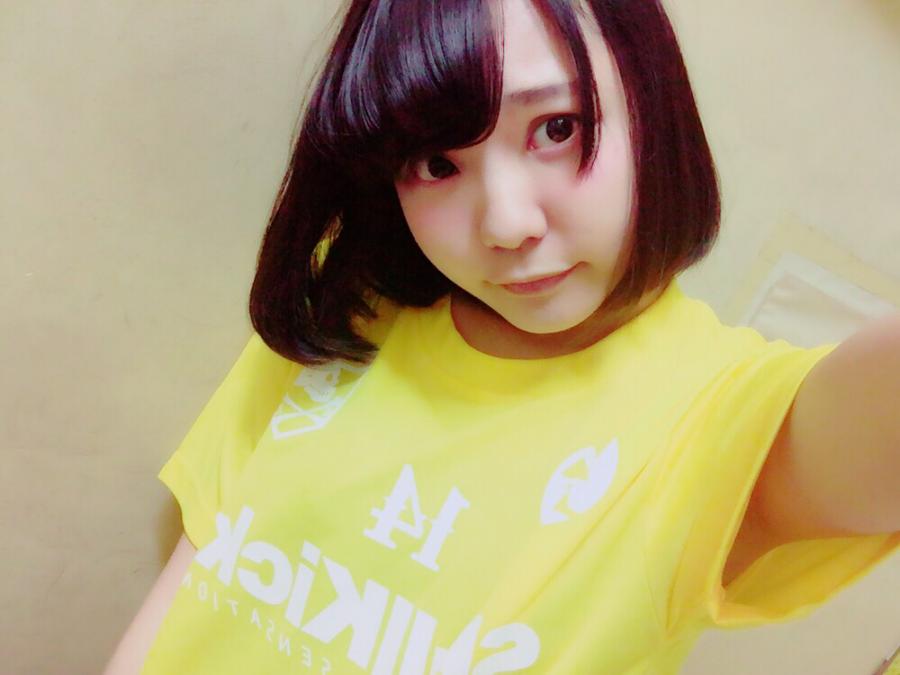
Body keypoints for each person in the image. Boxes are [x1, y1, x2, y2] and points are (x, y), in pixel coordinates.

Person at [104, 0, 900, 673]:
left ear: (652, 106)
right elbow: (199, 568)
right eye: (435, 162)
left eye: (556, 127)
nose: (507, 224)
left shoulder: (719, 422)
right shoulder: (347, 303)